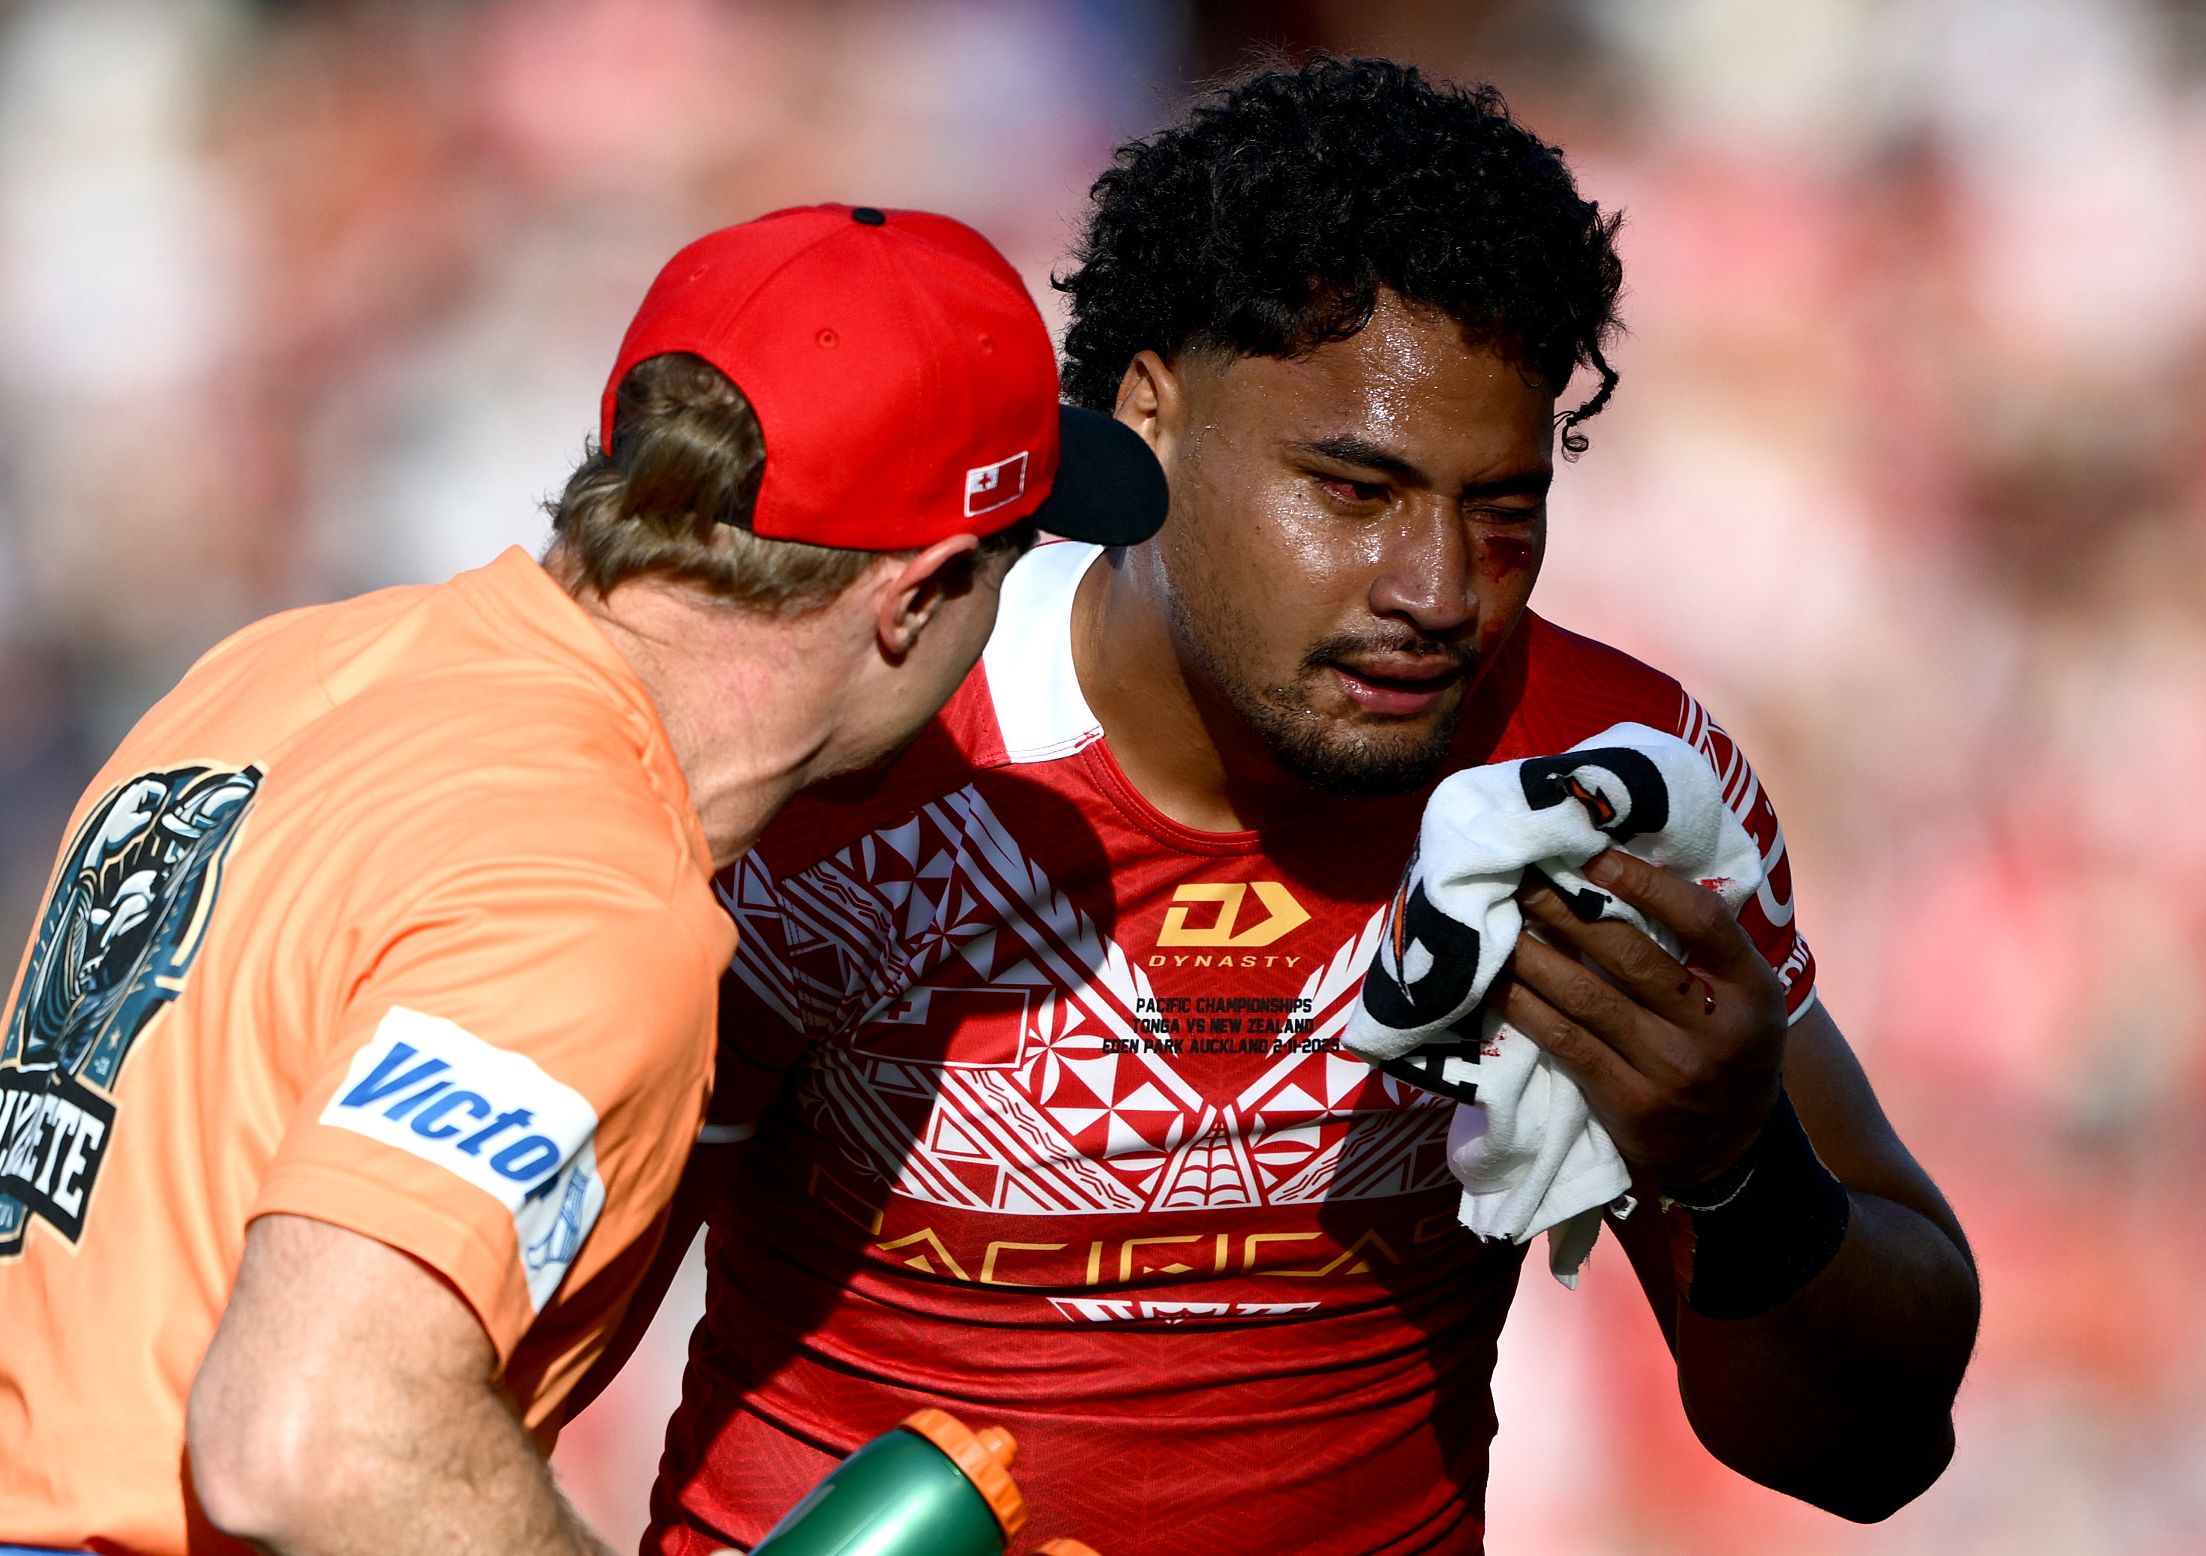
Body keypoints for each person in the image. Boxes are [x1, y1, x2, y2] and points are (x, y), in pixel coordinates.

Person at [642, 62, 1981, 1556]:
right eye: (1351, 492)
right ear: (1146, 415)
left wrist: (1745, 1178)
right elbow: (467, 1355)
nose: (1435, 592)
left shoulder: (1604, 785)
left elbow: (1871, 1460)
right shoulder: (854, 773)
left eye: (1502, 512)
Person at [0, 203, 1166, 1556]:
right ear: (922, 592)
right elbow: (312, 1436)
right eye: (1011, 564)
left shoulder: (271, 672)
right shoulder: (593, 892)